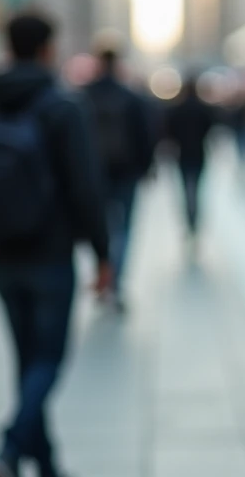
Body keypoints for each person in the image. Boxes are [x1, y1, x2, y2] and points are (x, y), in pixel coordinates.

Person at [0, 11, 112, 477]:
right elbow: (86, 188)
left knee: (27, 360)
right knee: (47, 359)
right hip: (51, 253)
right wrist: (102, 255)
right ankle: (10, 451)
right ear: (49, 49)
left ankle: (47, 473)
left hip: (2, 254)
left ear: (8, 45)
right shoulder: (62, 107)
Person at [82, 41, 154, 311]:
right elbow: (146, 135)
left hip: (94, 174)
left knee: (101, 230)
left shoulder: (84, 95)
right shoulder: (131, 97)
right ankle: (115, 281)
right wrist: (146, 168)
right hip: (127, 173)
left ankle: (104, 274)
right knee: (123, 230)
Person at [162, 77, 216, 240]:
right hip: (199, 153)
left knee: (186, 188)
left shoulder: (177, 108)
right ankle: (194, 217)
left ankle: (189, 217)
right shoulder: (203, 108)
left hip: (182, 154)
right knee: (197, 188)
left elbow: (169, 130)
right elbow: (210, 127)